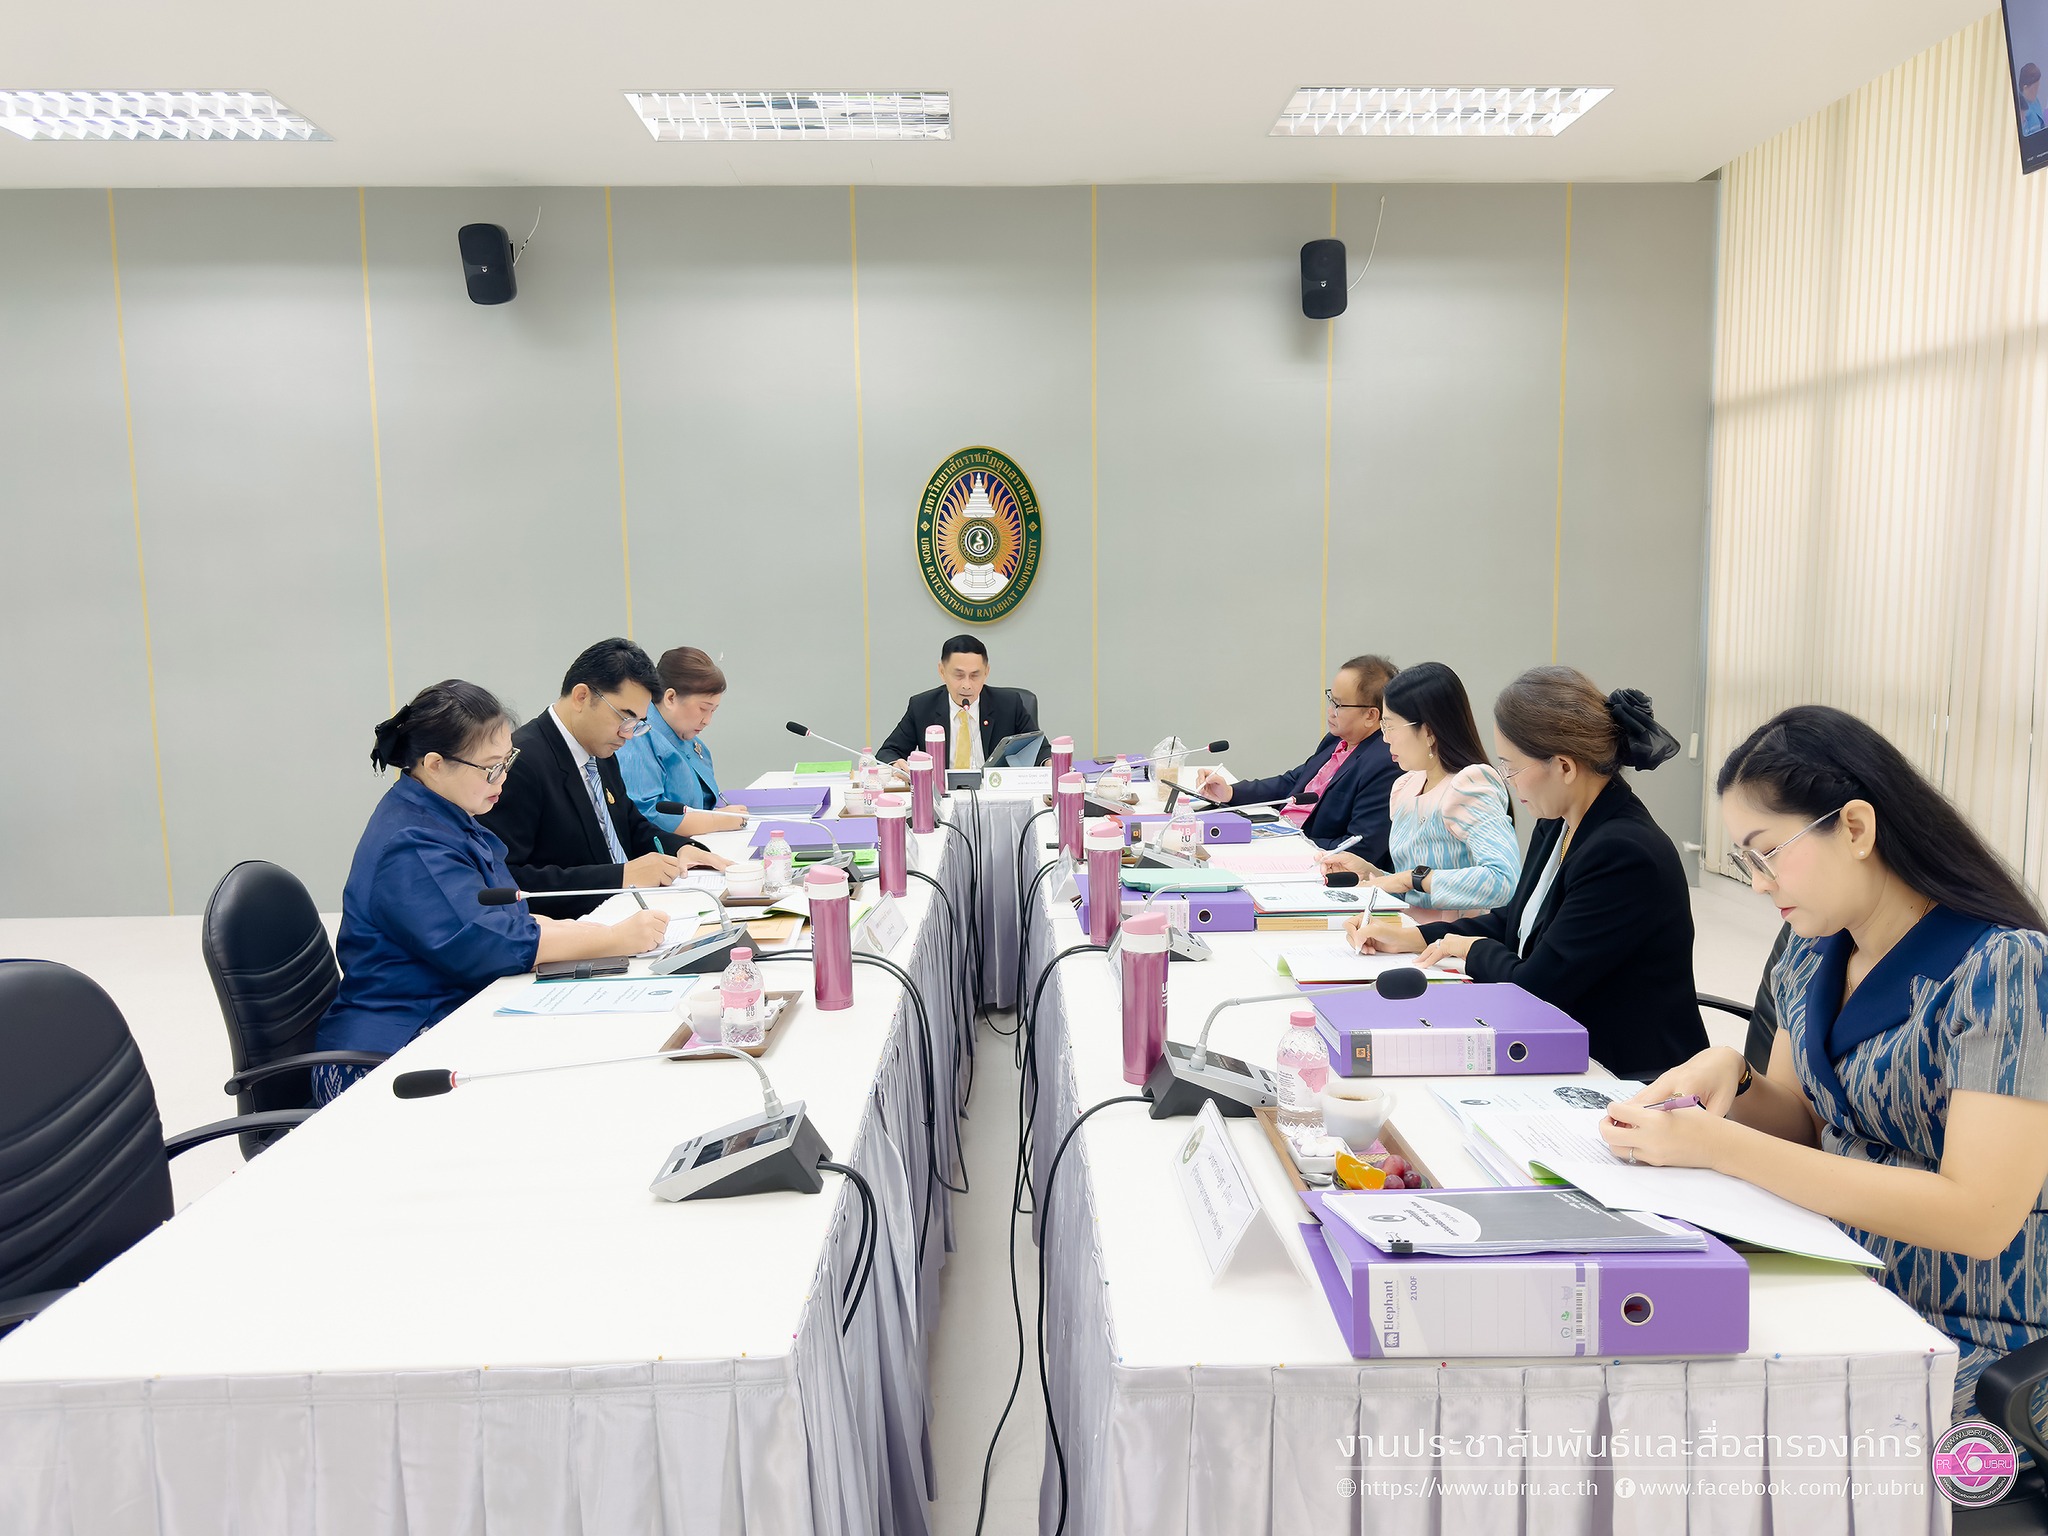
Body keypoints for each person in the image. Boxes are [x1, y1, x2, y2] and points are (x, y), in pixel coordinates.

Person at [1600, 706, 2048, 1423]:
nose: (1757, 883)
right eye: (1746, 862)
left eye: (1766, 853)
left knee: (1714, 1429)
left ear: (1857, 829)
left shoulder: (2004, 966)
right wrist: (1735, 1077)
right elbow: (1804, 1123)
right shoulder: (1813, 948)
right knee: (1636, 1380)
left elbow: (1980, 1216)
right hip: (1832, 1274)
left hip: (1970, 1329)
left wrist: (1720, 1146)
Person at [311, 681, 670, 1102]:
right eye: (490, 768)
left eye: (506, 761)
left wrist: (590, 935)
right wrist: (612, 939)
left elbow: (512, 915)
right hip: (384, 1058)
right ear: (435, 764)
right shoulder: (411, 844)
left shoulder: (453, 818)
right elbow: (491, 942)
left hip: (445, 1019)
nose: (503, 778)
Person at [1350, 665, 1705, 1079]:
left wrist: (1472, 951)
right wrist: (1417, 937)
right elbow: (1517, 921)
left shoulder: (1623, 853)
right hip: (1565, 1040)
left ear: (1564, 767)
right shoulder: (1559, 822)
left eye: (1511, 767)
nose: (1508, 782)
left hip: (1629, 1073)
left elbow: (1537, 987)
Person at [481, 638, 725, 918]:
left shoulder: (600, 749)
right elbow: (507, 878)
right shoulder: (522, 763)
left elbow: (631, 825)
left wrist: (681, 848)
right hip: (578, 925)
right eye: (625, 717)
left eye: (638, 723)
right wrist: (619, 877)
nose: (628, 734)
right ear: (582, 697)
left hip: (630, 911)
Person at [1317, 660, 1519, 922]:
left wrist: (1409, 879)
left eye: (1390, 726)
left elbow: (1503, 880)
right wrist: (1371, 874)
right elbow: (1412, 889)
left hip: (1452, 938)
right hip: (1403, 927)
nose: (1385, 738)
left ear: (1428, 731)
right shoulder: (1407, 785)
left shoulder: (1470, 784)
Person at [1194, 655, 1402, 861]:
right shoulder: (1336, 740)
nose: (1330, 711)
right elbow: (1292, 782)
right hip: (1280, 838)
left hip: (1310, 858)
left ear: (1370, 715)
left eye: (1339, 705)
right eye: (1331, 699)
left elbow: (1360, 847)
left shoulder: (1385, 763)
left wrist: (1290, 843)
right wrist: (1230, 792)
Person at [617, 646, 749, 849]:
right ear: (670, 698)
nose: (707, 721)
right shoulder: (638, 737)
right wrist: (718, 820)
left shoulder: (689, 738)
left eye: (713, 710)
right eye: (703, 708)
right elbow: (647, 816)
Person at [877, 634, 1039, 767]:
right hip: (941, 793)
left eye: (975, 675)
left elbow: (1039, 750)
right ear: (942, 671)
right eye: (959, 675)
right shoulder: (922, 707)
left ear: (986, 672)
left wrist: (1048, 762)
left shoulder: (1009, 704)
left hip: (995, 791)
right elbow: (888, 752)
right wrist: (896, 765)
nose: (966, 685)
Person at [2022, 62, 2045, 136]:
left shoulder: (2035, 101)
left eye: (2038, 87)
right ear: (2025, 88)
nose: (2037, 91)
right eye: (2035, 88)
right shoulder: (2020, 108)